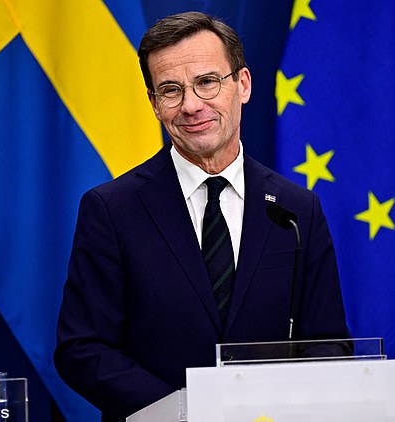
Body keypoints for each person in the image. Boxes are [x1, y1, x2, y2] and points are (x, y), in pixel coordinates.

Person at [54, 11, 350, 421]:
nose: (192, 106)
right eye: (171, 90)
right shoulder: (111, 210)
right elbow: (82, 348)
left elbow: (328, 342)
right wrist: (184, 412)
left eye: (207, 82)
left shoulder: (298, 210)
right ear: (155, 104)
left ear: (242, 85)